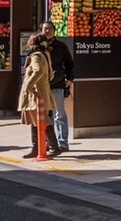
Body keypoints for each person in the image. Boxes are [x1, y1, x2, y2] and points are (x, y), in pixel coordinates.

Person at [17, 33, 60, 158]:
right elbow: (50, 73)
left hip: (36, 92)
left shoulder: (36, 56)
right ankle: (38, 147)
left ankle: (52, 146)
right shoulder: (46, 54)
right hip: (43, 89)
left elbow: (38, 71)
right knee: (36, 120)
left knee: (41, 120)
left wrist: (29, 85)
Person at [41, 21, 74, 152]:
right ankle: (47, 142)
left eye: (49, 29)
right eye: (45, 29)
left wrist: (70, 79)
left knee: (59, 114)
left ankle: (63, 143)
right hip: (42, 86)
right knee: (44, 115)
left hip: (57, 84)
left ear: (54, 31)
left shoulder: (61, 46)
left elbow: (69, 63)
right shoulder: (38, 47)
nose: (47, 31)